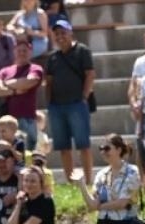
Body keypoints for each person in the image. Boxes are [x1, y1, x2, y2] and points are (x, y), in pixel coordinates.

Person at [45, 19, 96, 184]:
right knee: (63, 147)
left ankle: (88, 181)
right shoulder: (53, 58)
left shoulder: (82, 51)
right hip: (57, 106)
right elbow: (49, 81)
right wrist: (49, 103)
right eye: (57, 34)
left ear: (70, 33)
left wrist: (84, 96)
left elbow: (90, 74)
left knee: (83, 145)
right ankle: (71, 182)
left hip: (76, 104)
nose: (60, 37)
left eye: (63, 33)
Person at [0, 37, 45, 154]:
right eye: (19, 50)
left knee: (28, 156)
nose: (21, 53)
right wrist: (14, 91)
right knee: (6, 155)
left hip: (27, 119)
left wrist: (6, 83)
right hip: (7, 121)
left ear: (30, 52)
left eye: (25, 50)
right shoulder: (5, 71)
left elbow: (29, 82)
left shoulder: (35, 69)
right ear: (14, 51)